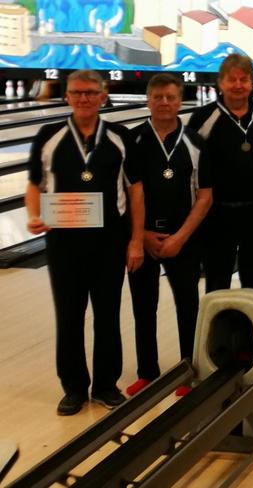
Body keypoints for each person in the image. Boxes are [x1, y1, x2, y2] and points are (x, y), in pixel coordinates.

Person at [24, 69, 144, 415]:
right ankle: (74, 388)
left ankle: (106, 385)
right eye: (77, 92)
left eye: (91, 92)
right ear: (67, 96)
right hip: (63, 243)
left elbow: (136, 191)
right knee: (69, 317)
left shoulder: (119, 136)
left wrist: (136, 240)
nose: (84, 98)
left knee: (107, 315)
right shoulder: (49, 136)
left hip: (109, 241)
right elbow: (35, 184)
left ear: (103, 97)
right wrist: (33, 215)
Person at [125, 73, 212, 398]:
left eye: (170, 97)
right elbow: (125, 194)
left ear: (179, 101)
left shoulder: (195, 143)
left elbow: (205, 196)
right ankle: (147, 373)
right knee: (143, 306)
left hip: (184, 238)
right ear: (148, 100)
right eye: (158, 97)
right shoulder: (131, 141)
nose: (164, 103)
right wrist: (141, 236)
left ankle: (189, 370)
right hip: (142, 237)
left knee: (188, 305)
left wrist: (180, 238)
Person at [188, 53, 253, 291]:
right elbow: (189, 169)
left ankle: (249, 318)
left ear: (252, 82)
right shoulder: (203, 118)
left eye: (244, 79)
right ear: (220, 83)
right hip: (216, 215)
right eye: (232, 79)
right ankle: (218, 318)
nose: (238, 85)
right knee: (216, 284)